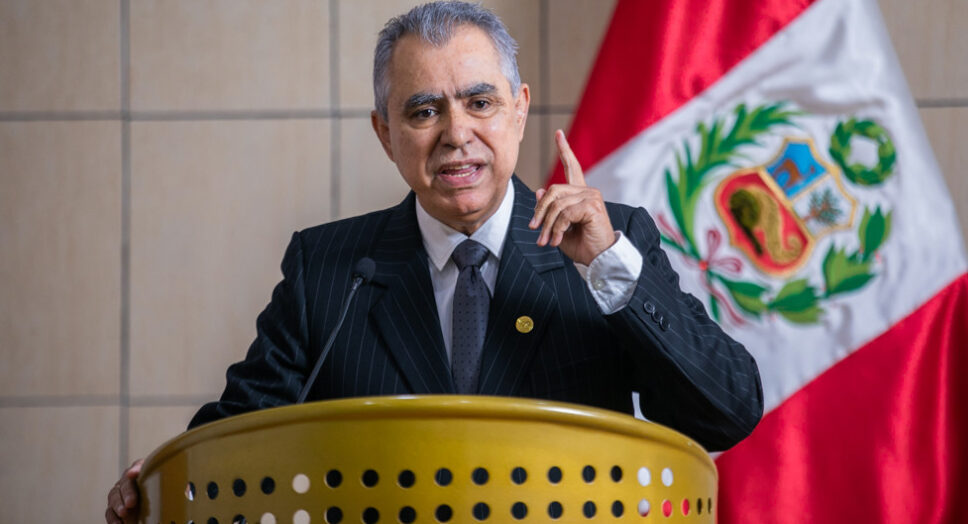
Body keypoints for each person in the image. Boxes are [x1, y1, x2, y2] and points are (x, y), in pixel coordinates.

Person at [106, 2, 763, 522]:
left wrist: (608, 268)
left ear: (519, 110)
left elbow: (725, 411)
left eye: (480, 103)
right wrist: (155, 480)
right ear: (385, 134)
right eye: (424, 111)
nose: (456, 134)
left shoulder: (610, 240)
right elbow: (237, 436)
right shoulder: (326, 267)